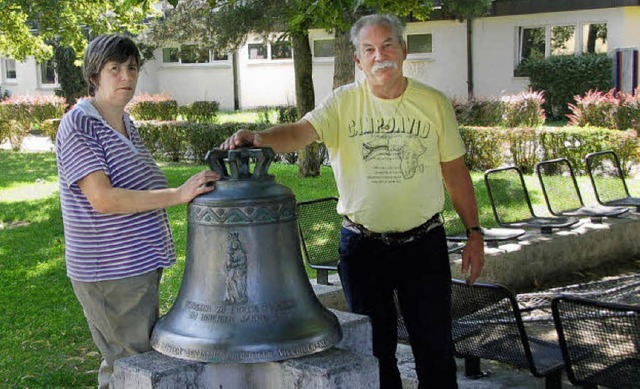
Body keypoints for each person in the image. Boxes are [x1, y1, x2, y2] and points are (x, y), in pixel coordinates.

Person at [221, 14, 484, 388]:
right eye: (369, 49)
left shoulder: (433, 103)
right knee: (375, 353)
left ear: (404, 50)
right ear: (358, 60)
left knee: (435, 350)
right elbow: (299, 133)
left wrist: (474, 233)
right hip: (363, 250)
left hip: (424, 246)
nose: (381, 56)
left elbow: (455, 173)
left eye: (388, 45)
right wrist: (260, 137)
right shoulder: (342, 103)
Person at [55, 34, 220, 388]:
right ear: (94, 74)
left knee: (129, 364)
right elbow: (104, 199)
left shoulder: (124, 123)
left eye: (131, 68)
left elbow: (139, 185)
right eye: (114, 69)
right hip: (109, 271)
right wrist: (177, 194)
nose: (126, 77)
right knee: (133, 364)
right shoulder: (79, 124)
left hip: (136, 266)